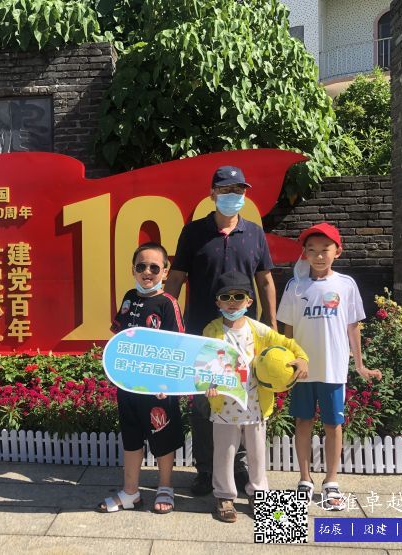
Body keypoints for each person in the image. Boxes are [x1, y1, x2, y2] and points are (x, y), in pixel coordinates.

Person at [165, 165, 277, 496]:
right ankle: (206, 470)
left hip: (244, 336)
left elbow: (265, 281)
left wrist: (271, 325)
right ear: (213, 193)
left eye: (239, 190)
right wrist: (169, 321)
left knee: (243, 401)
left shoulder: (254, 233)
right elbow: (176, 278)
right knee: (205, 402)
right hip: (203, 333)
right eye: (226, 190)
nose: (233, 196)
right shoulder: (193, 233)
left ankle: (238, 471)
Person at [276, 223, 382, 510]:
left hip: (334, 369)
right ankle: (304, 479)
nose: (319, 256)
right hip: (303, 370)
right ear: (305, 254)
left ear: (338, 252)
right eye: (312, 250)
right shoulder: (296, 286)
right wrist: (288, 362)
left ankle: (331, 482)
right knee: (303, 422)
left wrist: (360, 364)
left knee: (333, 424)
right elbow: (287, 330)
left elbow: (353, 327)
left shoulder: (346, 285)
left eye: (325, 250)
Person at [202, 270, 308, 522]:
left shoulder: (259, 330)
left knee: (257, 453)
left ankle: (258, 493)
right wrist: (208, 383)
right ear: (217, 302)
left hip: (255, 403)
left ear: (249, 301)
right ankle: (224, 495)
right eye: (225, 297)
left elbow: (288, 343)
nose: (232, 302)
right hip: (224, 404)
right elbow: (205, 362)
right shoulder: (211, 330)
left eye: (238, 296)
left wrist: (302, 358)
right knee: (224, 452)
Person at [97, 242, 185, 514]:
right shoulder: (128, 297)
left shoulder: (168, 303)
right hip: (128, 385)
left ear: (165, 272)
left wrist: (167, 383)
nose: (147, 272)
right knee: (131, 437)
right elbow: (119, 337)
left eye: (154, 267)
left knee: (163, 438)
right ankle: (130, 492)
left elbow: (178, 346)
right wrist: (114, 368)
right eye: (141, 266)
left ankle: (165, 487)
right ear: (133, 269)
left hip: (157, 388)